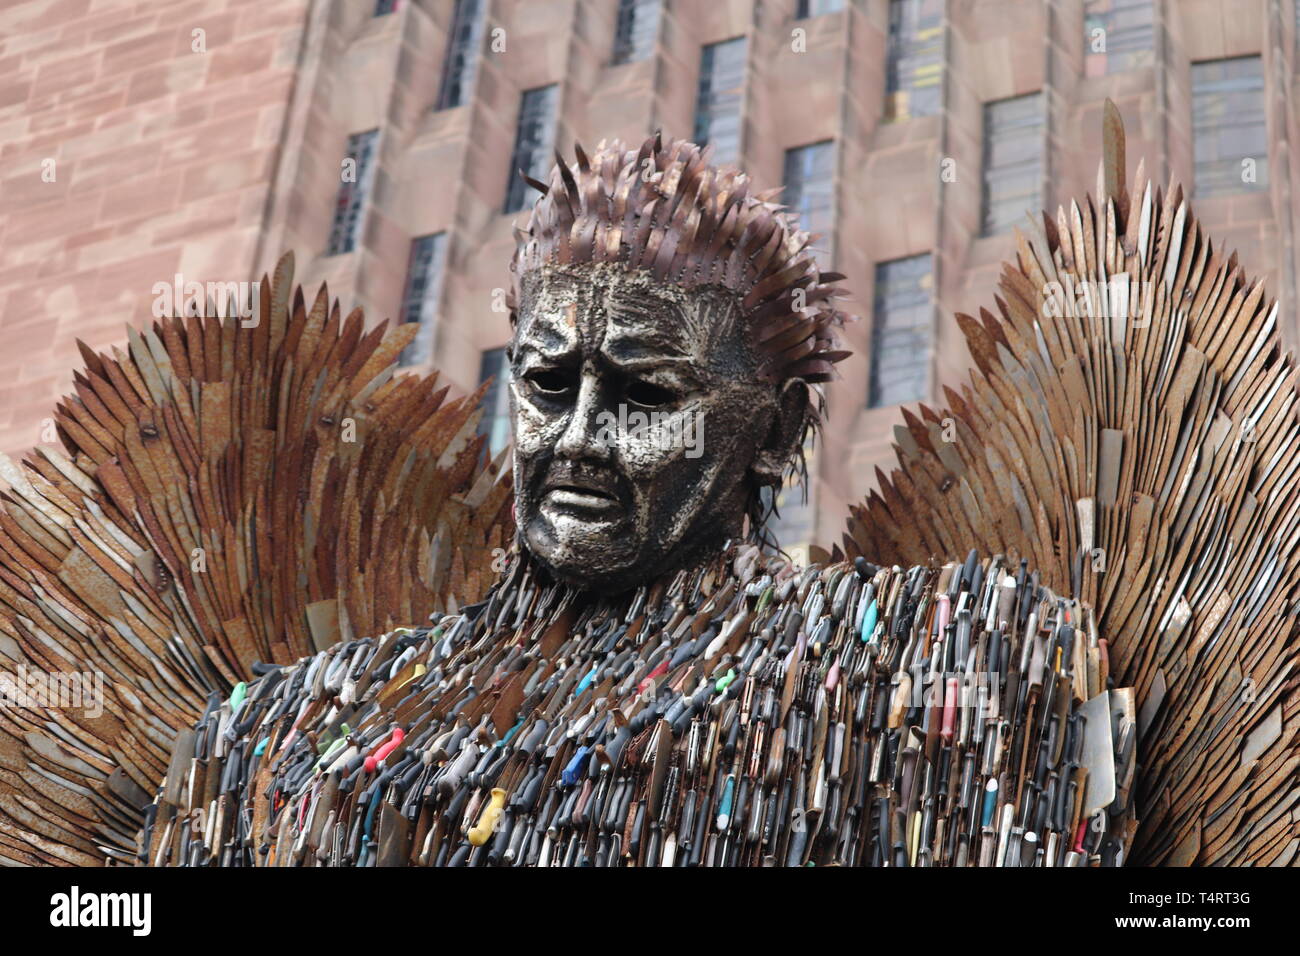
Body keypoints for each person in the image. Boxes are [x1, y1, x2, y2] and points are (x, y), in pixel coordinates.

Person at [0, 107, 1294, 866]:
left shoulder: (941, 669)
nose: (575, 436)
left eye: (644, 396)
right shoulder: (272, 736)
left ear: (770, 428)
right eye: (546, 381)